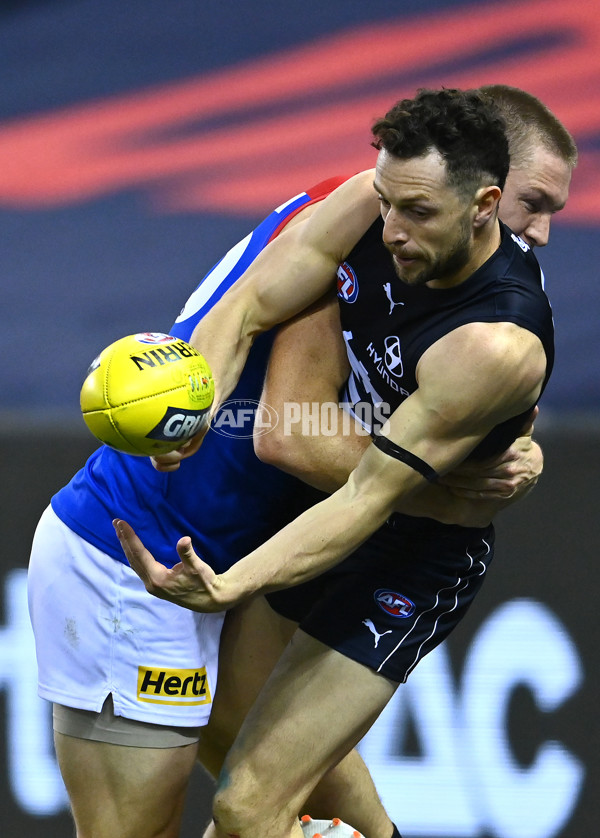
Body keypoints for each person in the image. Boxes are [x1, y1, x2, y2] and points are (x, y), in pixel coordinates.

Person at [26, 86, 575, 838]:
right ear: (489, 186)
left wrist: (497, 458)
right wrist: (196, 398)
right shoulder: (365, 213)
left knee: (279, 811)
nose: (541, 231)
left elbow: (453, 428)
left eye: (412, 210)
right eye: (534, 201)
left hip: (250, 554)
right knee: (246, 815)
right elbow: (279, 408)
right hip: (138, 553)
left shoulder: (499, 324)